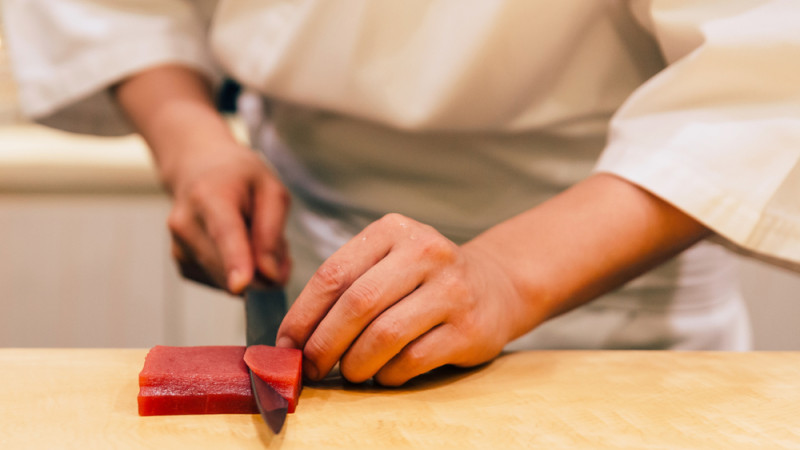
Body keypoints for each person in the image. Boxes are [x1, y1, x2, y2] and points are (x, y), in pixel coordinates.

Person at [5, 0, 799, 386]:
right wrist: (194, 145)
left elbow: (765, 75)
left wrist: (507, 275)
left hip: (611, 304)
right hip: (313, 277)